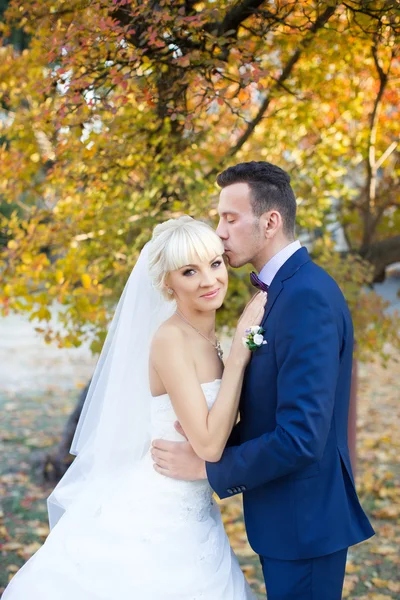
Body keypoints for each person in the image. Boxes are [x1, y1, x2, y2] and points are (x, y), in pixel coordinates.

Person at [2, 216, 267, 600]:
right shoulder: (170, 340)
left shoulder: (208, 335)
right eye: (189, 271)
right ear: (167, 284)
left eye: (215, 264)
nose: (209, 280)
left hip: (193, 509)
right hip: (156, 514)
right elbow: (210, 445)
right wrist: (240, 357)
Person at [152, 161, 375, 600]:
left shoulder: (305, 297)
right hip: (286, 519)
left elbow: (301, 436)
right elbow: (270, 406)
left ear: (270, 221)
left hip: (304, 523)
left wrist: (209, 466)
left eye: (229, 218)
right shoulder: (277, 293)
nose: (219, 232)